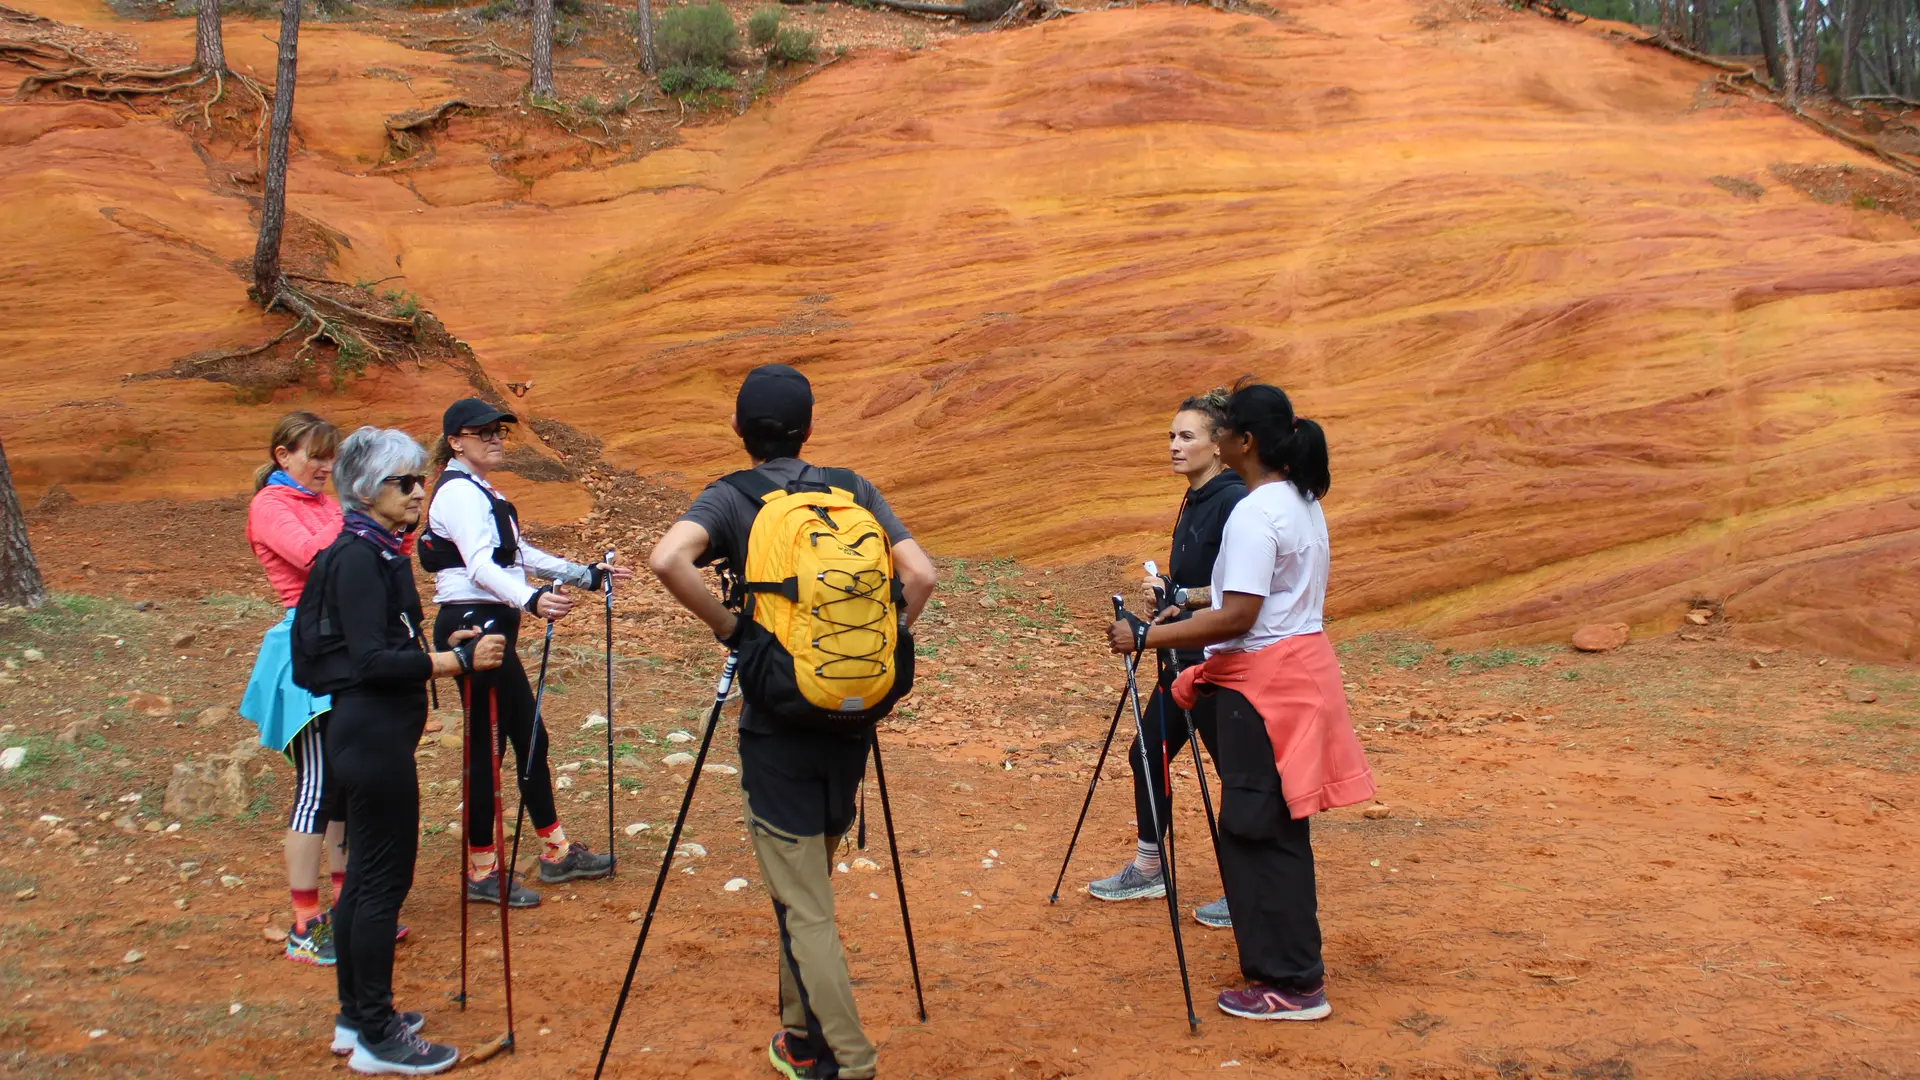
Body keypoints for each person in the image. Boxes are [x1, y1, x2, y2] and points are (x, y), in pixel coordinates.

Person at [649, 364, 937, 1080]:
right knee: (804, 887)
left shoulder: (730, 496)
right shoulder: (853, 490)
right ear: (809, 429)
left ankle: (848, 1061)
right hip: (850, 716)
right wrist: (885, 641)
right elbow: (922, 575)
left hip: (777, 726)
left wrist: (733, 630)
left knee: (805, 905)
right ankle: (800, 1035)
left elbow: (668, 559)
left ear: (739, 431)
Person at [1107, 382, 1375, 1022]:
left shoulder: (1256, 513)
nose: (1214, 435)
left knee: (1257, 827)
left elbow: (1239, 617)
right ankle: (1291, 971)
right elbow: (1254, 601)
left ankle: (1292, 984)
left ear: (1245, 442)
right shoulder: (1300, 500)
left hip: (1263, 685)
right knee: (1274, 825)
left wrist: (1146, 636)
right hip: (1296, 674)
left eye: (1222, 428)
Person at [299, 426, 506, 1074]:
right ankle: (377, 1034)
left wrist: (442, 649)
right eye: (406, 482)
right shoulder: (360, 557)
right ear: (367, 491)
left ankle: (356, 1018)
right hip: (372, 736)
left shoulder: (371, 549)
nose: (420, 491)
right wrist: (455, 661)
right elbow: (370, 660)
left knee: (366, 879)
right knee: (382, 882)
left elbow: (378, 644)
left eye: (421, 479)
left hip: (371, 734)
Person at [421, 398, 628, 908]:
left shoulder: (480, 489)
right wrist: (531, 600)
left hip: (490, 622)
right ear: (456, 441)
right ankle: (482, 870)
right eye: (483, 432)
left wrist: (583, 575)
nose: (496, 438)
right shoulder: (459, 493)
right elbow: (479, 566)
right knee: (487, 749)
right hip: (473, 627)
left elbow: (516, 555)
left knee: (531, 738)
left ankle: (555, 852)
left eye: (499, 431)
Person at [1088, 390, 1246, 932]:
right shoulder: (1196, 497)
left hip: (1215, 661)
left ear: (1218, 445)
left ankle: (1247, 888)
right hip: (1179, 657)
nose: (1175, 446)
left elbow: (1238, 589)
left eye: (1187, 436)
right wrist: (1170, 592)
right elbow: (1201, 581)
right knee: (1146, 752)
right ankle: (1151, 867)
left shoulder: (1233, 500)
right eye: (1171, 437)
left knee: (1236, 775)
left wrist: (1184, 597)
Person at [239, 411, 351, 965]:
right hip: (304, 652)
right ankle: (305, 922)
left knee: (345, 781)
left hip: (344, 646)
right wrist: (356, 514)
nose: (325, 466)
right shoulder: (270, 505)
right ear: (283, 455)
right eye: (315, 455)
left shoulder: (328, 504)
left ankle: (348, 907)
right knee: (318, 783)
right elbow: (315, 557)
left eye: (331, 456)